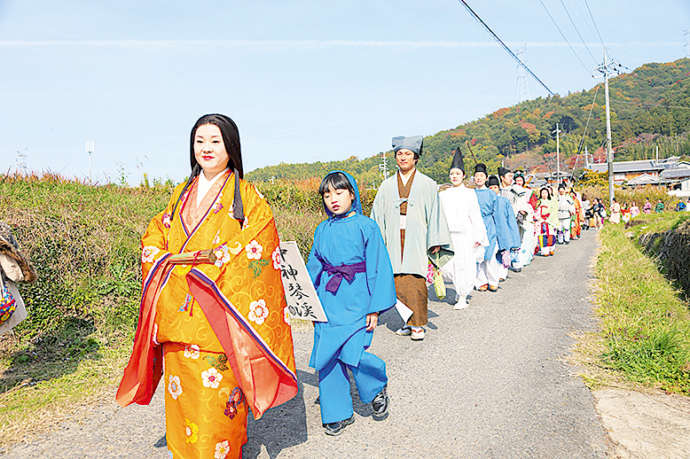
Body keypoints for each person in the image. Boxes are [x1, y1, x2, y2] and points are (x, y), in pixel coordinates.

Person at [116, 114, 298, 459]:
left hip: (218, 314)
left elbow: (258, 244)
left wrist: (215, 262)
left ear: (231, 146)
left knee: (217, 412)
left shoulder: (246, 195)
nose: (207, 148)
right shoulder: (182, 193)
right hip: (177, 314)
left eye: (215, 140)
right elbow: (157, 231)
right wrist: (160, 256)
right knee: (182, 405)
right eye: (200, 141)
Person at [306, 171, 396, 435]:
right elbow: (314, 266)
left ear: (352, 194)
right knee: (328, 356)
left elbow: (378, 267)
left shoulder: (367, 226)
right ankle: (337, 413)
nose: (333, 199)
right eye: (327, 194)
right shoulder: (322, 229)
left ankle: (376, 387)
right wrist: (305, 299)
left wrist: (375, 308)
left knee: (353, 353)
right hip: (328, 300)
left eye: (339, 192)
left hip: (358, 300)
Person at [371, 135, 453, 341]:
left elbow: (435, 214)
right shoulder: (386, 185)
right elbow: (377, 215)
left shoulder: (427, 184)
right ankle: (407, 322)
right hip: (393, 237)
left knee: (415, 280)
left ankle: (418, 324)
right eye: (399, 154)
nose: (403, 158)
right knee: (397, 281)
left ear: (415, 157)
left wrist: (435, 240)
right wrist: (376, 240)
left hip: (417, 237)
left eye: (407, 154)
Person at [439, 149, 488, 309]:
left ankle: (462, 295)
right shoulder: (443, 194)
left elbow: (475, 216)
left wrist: (478, 237)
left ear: (463, 176)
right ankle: (458, 289)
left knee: (463, 264)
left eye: (457, 174)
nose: (454, 176)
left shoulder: (469, 193)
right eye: (452, 174)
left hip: (465, 235)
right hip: (448, 235)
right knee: (448, 266)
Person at [472, 164, 500, 292]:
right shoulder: (470, 193)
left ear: (486, 178)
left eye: (481, 176)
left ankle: (493, 280)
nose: (479, 178)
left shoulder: (491, 194)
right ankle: (480, 282)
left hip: (489, 224)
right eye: (477, 176)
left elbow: (497, 213)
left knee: (490, 254)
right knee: (478, 255)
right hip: (474, 225)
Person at [499, 167, 533, 270]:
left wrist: (522, 210)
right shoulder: (498, 190)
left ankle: (516, 261)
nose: (511, 179)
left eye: (512, 177)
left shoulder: (516, 189)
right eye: (509, 176)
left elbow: (523, 203)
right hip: (501, 219)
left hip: (514, 218)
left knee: (516, 239)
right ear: (502, 178)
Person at [487, 175, 521, 282]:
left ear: (499, 188)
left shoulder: (504, 201)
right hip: (491, 232)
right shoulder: (486, 202)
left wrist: (513, 234)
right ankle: (493, 275)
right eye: (490, 188)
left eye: (495, 187)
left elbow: (511, 219)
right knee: (492, 254)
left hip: (504, 232)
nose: (493, 190)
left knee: (504, 253)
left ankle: (502, 274)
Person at [536, 187, 558, 256]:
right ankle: (544, 251)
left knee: (551, 235)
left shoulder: (552, 201)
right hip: (541, 221)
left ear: (548, 193)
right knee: (542, 236)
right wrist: (539, 218)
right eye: (542, 193)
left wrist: (549, 219)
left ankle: (551, 249)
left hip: (550, 221)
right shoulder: (538, 202)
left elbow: (554, 211)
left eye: (545, 193)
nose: (544, 194)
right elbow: (535, 211)